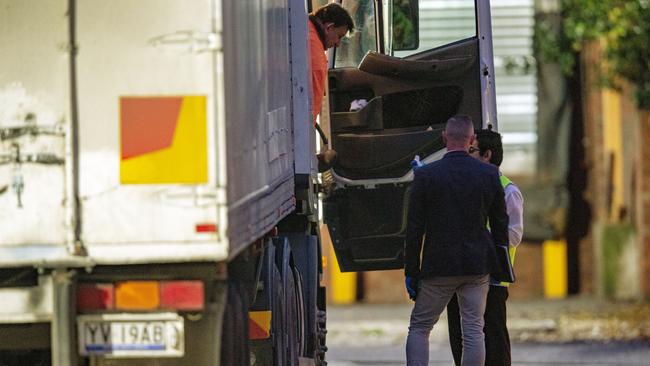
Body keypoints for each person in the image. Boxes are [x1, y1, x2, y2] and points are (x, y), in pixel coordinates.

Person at [404, 115, 509, 366]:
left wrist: (412, 271)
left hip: (438, 267)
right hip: (476, 267)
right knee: (474, 329)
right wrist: (500, 266)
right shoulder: (489, 174)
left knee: (420, 326)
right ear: (472, 139)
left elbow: (415, 228)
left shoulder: (426, 176)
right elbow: (500, 225)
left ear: (444, 138)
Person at [447, 127, 524, 366]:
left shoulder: (508, 191)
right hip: (460, 276)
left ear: (487, 155)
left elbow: (513, 234)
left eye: (471, 150)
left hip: (492, 279)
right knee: (460, 342)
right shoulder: (462, 186)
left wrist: (476, 235)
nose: (465, 155)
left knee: (494, 343)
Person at [308, 3, 354, 171]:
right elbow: (309, 105)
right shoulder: (315, 53)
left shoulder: (307, 32)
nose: (337, 43)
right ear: (329, 27)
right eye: (339, 36)